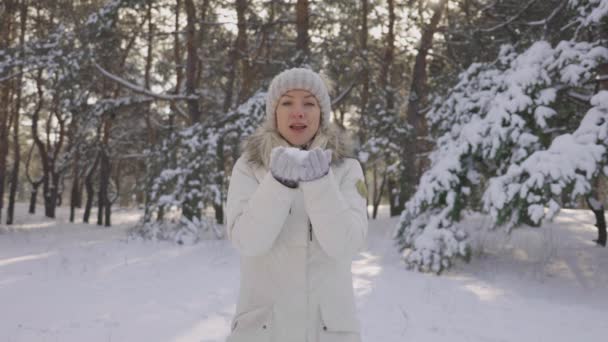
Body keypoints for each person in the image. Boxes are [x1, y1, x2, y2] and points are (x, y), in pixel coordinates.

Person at [225, 68, 368, 342]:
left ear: (322, 115)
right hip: (263, 332)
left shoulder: (347, 170)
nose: (298, 112)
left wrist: (319, 183)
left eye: (309, 103)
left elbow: (346, 245)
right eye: (287, 102)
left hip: (329, 332)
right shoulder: (249, 168)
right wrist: (278, 183)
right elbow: (247, 241)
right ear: (274, 113)